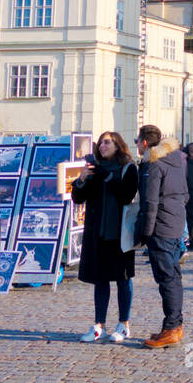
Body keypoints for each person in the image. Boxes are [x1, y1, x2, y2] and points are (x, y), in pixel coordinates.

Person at [71, 131, 138, 342]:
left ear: (118, 145)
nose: (102, 146)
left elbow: (127, 194)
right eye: (100, 143)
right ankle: (99, 325)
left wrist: (106, 176)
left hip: (120, 233)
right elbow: (78, 198)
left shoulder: (128, 167)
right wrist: (82, 179)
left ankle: (124, 324)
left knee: (122, 279)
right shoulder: (95, 169)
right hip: (97, 232)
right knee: (100, 279)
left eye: (107, 142)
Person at [136, 125, 188, 346]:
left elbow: (150, 202)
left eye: (137, 140)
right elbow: (184, 194)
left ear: (145, 143)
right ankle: (173, 325)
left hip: (161, 228)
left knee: (167, 279)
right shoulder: (175, 160)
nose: (136, 145)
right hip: (175, 224)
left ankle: (172, 327)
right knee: (173, 277)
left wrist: (144, 233)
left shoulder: (154, 164)